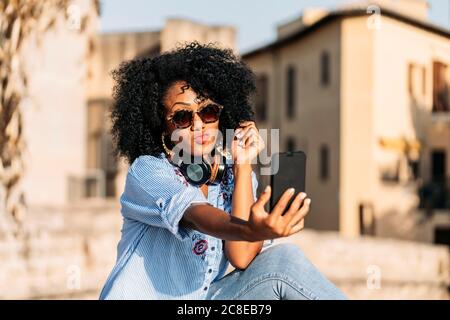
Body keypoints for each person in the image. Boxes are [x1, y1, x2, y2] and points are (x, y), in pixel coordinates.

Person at [99, 41, 347, 300]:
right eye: (183, 117)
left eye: (208, 111)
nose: (198, 125)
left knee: (284, 258)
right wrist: (253, 229)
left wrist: (242, 165)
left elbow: (241, 256)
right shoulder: (149, 171)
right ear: (164, 129)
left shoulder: (231, 176)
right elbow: (197, 215)